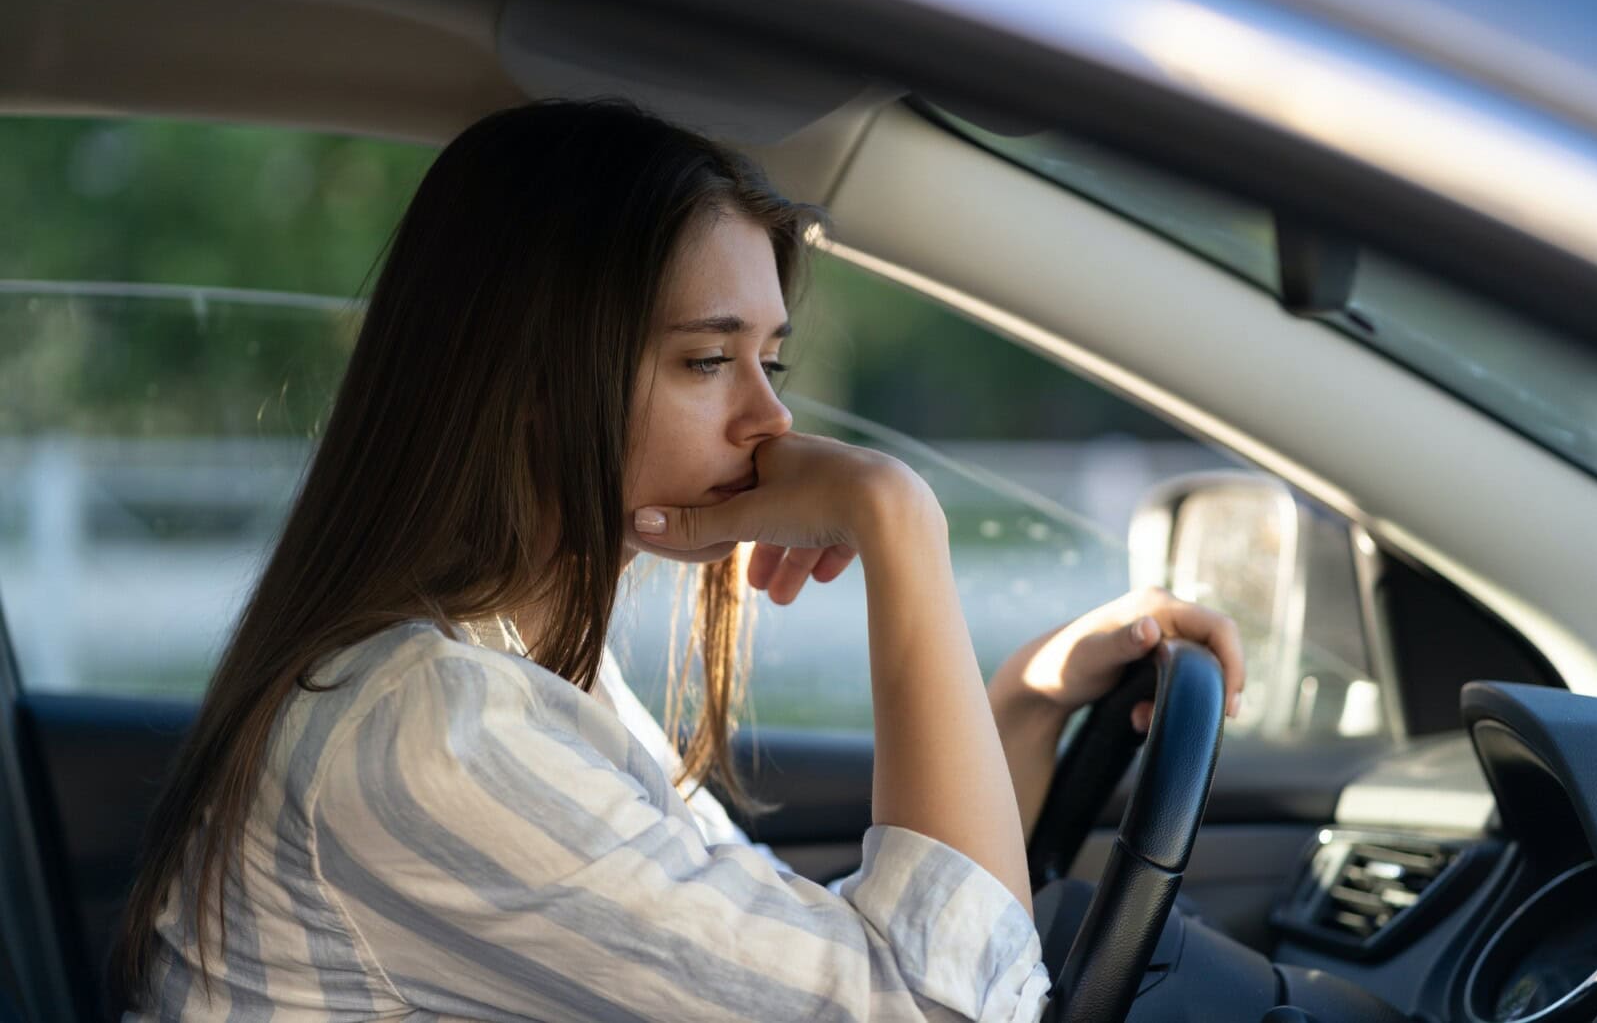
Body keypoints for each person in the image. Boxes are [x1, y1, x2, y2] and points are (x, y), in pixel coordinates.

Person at [113, 98, 1244, 1022]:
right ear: (528, 382)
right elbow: (927, 1007)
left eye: (771, 363)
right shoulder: (431, 731)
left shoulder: (516, 663)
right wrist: (898, 521)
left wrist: (1021, 703)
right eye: (707, 361)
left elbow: (799, 955)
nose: (766, 422)